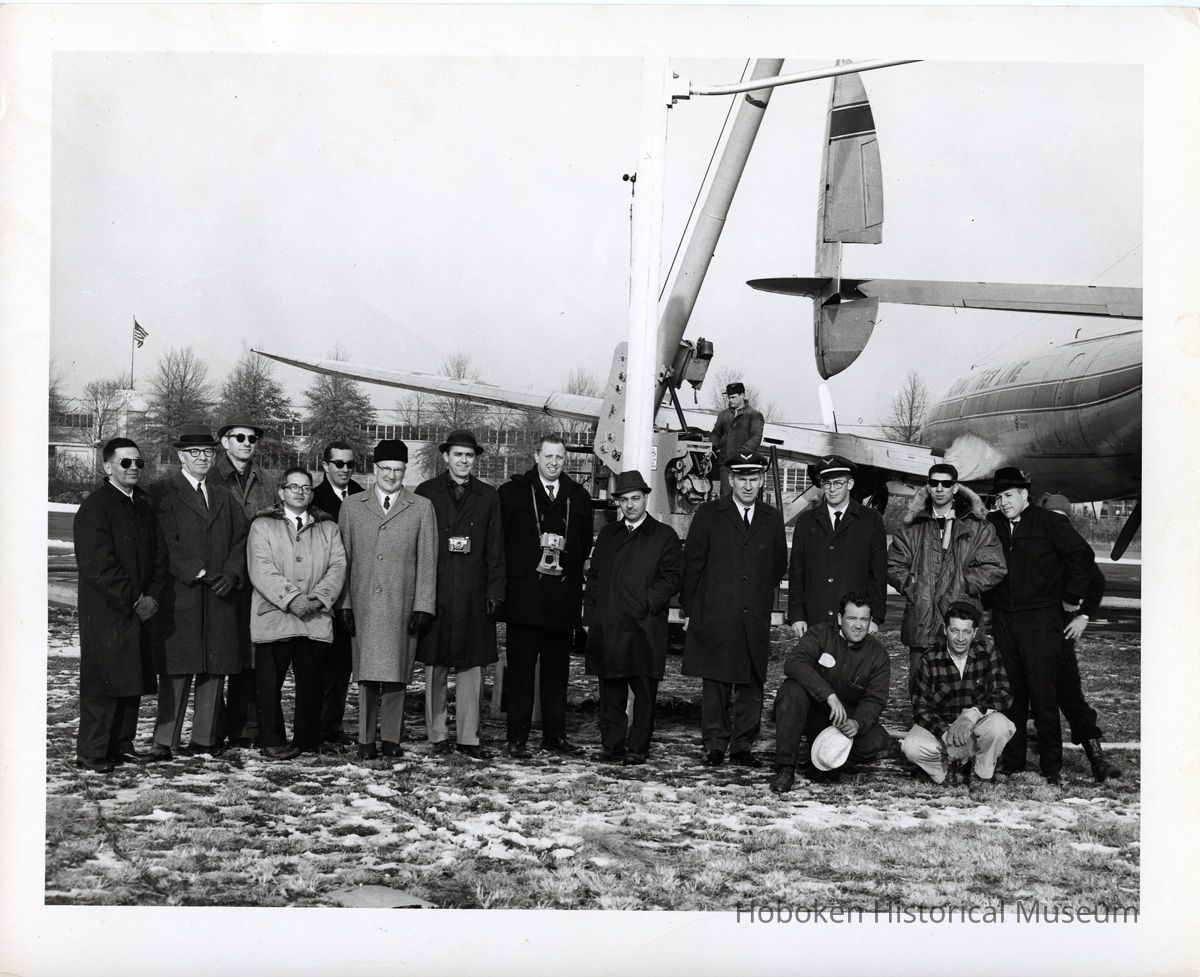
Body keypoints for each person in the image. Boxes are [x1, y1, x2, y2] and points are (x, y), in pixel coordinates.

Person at [985, 467, 1094, 784]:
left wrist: (1071, 597)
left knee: (1043, 694)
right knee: (1012, 694)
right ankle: (1015, 760)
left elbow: (1082, 555)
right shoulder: (992, 525)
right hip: (1005, 618)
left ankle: (1051, 767)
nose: (1004, 502)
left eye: (1009, 496)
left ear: (1023, 494)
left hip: (1041, 619)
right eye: (999, 497)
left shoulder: (1049, 523)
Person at [148, 424, 249, 759]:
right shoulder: (163, 492)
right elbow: (165, 542)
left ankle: (205, 740)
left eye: (207, 452)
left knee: (214, 667)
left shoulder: (223, 495)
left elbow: (241, 540)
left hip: (220, 595)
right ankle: (165, 740)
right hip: (183, 594)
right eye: (195, 453)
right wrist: (200, 572)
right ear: (180, 456)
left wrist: (233, 574)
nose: (202, 458)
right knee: (177, 669)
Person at [681, 451, 787, 767]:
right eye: (742, 479)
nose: (748, 485)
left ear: (761, 480)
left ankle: (742, 747)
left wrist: (754, 596)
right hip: (716, 613)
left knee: (751, 682)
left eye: (754, 479)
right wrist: (691, 611)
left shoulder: (771, 518)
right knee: (715, 681)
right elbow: (693, 566)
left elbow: (778, 564)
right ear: (731, 480)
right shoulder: (710, 514)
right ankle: (714, 744)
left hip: (753, 614)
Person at [73, 438, 169, 772]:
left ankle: (122, 744)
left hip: (141, 609)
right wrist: (133, 599)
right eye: (126, 462)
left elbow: (159, 557)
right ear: (107, 467)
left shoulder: (142, 505)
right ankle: (93, 751)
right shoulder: (95, 507)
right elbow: (97, 564)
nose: (133, 469)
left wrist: (152, 597)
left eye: (138, 463)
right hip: (108, 611)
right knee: (104, 681)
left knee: (132, 679)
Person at [337, 439, 437, 760]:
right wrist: (345, 603)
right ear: (374, 470)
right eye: (386, 469)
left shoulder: (420, 507)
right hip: (364, 604)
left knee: (396, 675)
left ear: (405, 471)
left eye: (398, 470)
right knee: (366, 675)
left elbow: (428, 561)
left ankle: (392, 739)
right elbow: (344, 560)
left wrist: (423, 605)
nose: (392, 476)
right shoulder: (352, 506)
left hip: (401, 604)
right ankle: (366, 740)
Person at [497, 434, 593, 759]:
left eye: (560, 458)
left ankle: (555, 736)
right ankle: (517, 738)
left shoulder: (578, 497)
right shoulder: (512, 493)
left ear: (566, 460)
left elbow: (580, 548)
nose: (554, 463)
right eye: (548, 456)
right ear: (536, 456)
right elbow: (503, 546)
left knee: (557, 675)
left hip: (560, 601)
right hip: (524, 600)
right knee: (521, 673)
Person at [414, 430, 505, 759]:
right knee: (435, 666)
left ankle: (469, 736)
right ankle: (437, 734)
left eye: (469, 455)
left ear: (475, 459)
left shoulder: (488, 496)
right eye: (458, 454)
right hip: (436, 591)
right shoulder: (426, 493)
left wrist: (496, 591)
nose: (464, 460)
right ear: (446, 457)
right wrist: (418, 596)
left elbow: (496, 549)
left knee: (472, 668)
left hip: (473, 593)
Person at [583, 470, 683, 765]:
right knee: (611, 690)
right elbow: (596, 576)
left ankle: (638, 748)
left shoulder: (664, 535)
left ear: (645, 498)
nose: (630, 505)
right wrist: (590, 616)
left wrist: (647, 602)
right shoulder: (609, 535)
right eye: (624, 500)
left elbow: (673, 577)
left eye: (635, 498)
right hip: (610, 624)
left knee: (644, 691)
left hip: (645, 625)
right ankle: (611, 746)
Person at [246, 467, 347, 760]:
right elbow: (261, 568)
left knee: (311, 684)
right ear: (281, 492)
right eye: (293, 487)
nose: (300, 492)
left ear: (312, 493)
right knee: (268, 685)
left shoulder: (327, 527)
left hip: (314, 618)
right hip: (274, 615)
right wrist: (291, 599)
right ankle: (272, 740)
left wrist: (317, 599)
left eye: (306, 487)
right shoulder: (263, 525)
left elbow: (338, 566)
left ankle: (307, 738)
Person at [887, 462, 1006, 695]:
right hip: (922, 617)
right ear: (928, 487)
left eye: (946, 483)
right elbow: (894, 564)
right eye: (934, 483)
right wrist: (915, 586)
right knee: (920, 687)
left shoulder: (978, 526)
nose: (940, 488)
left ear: (955, 487)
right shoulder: (912, 526)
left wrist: (963, 583)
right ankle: (923, 728)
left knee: (962, 689)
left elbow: (994, 566)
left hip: (961, 619)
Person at [769, 592, 892, 793]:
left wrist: (858, 723)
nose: (858, 625)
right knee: (791, 691)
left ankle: (824, 764)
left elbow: (875, 698)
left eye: (864, 619)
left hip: (844, 722)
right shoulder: (821, 634)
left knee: (879, 741)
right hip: (812, 713)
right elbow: (794, 663)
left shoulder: (878, 654)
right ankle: (785, 767)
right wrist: (828, 695)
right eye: (852, 618)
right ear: (839, 618)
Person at [1041, 494, 1122, 781]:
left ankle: (1096, 758)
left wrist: (1083, 616)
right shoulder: (1035, 543)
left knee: (1071, 695)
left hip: (1060, 630)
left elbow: (1097, 581)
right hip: (1032, 627)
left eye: (1062, 520)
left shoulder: (1076, 548)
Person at [901, 599, 1015, 786]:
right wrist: (948, 736)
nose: (960, 638)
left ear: (975, 633)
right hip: (942, 726)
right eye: (954, 631)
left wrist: (970, 715)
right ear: (945, 630)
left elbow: (1003, 694)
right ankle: (945, 772)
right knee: (911, 746)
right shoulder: (930, 658)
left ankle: (982, 773)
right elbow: (920, 706)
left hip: (976, 724)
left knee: (1000, 726)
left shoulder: (988, 652)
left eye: (966, 632)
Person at [213, 412, 276, 748]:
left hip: (256, 582)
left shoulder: (266, 483)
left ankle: (246, 727)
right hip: (221, 580)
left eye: (252, 439)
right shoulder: (211, 479)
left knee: (250, 657)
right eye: (240, 438)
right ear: (225, 442)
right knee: (218, 656)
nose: (247, 444)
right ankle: (213, 727)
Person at [787, 456, 887, 636]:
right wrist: (796, 615)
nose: (832, 489)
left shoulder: (870, 520)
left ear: (850, 484)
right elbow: (797, 572)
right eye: (827, 484)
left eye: (838, 483)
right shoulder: (806, 521)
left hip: (855, 620)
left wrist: (875, 617)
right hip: (815, 618)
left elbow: (878, 574)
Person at [311, 441, 366, 746]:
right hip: (321, 590)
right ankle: (314, 724)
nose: (345, 470)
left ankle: (332, 724)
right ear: (326, 466)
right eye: (339, 464)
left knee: (342, 664)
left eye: (350, 465)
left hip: (352, 592)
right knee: (318, 662)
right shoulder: (314, 498)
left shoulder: (362, 496)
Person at [709, 382, 765, 496]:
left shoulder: (754, 415)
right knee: (726, 499)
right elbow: (716, 434)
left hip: (745, 465)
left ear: (742, 395)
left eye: (733, 397)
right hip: (726, 466)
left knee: (743, 497)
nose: (730, 400)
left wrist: (741, 454)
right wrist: (710, 447)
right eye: (729, 397)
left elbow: (756, 437)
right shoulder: (723, 415)